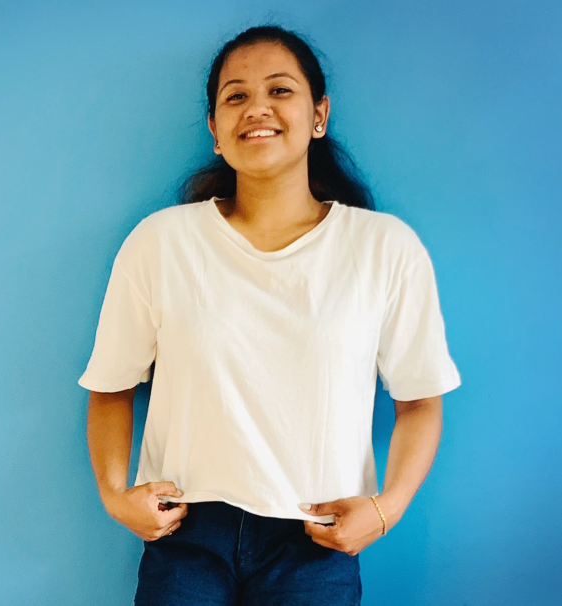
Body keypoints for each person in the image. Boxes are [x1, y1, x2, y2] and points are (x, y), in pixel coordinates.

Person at [78, 24, 461, 606]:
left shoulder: (384, 247)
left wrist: (386, 511)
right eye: (235, 96)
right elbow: (110, 387)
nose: (257, 107)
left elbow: (420, 400)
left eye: (280, 90)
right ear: (215, 130)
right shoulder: (161, 242)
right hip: (187, 536)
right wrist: (114, 494)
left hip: (317, 540)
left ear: (319, 114)